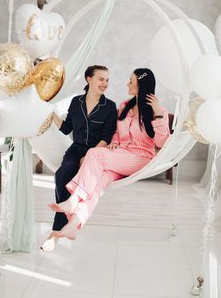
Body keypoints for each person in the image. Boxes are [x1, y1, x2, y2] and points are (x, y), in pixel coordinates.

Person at [48, 68, 170, 240]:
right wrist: (113, 143)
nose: (127, 84)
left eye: (131, 82)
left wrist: (158, 114)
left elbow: (162, 143)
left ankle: (73, 201)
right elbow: (116, 133)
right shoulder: (124, 107)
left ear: (140, 86)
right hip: (120, 155)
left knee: (95, 154)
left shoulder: (157, 111)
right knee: (97, 184)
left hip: (141, 157)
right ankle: (74, 224)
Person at [41, 65, 117, 251]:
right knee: (62, 174)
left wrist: (90, 156)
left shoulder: (110, 107)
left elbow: (107, 137)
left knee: (69, 178)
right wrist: (50, 113)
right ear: (89, 79)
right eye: (101, 79)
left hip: (96, 153)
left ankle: (54, 234)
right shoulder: (76, 102)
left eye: (107, 80)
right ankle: (66, 218)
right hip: (75, 149)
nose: (104, 83)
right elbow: (67, 128)